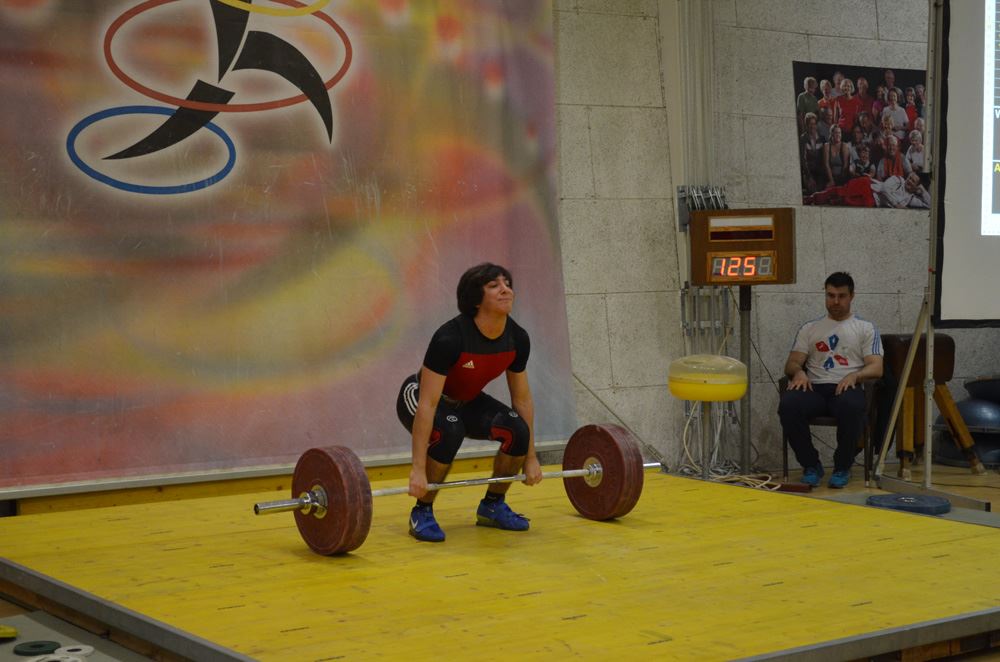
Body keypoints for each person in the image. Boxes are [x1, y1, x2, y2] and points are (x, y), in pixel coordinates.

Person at [395, 262, 542, 542]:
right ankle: (422, 511)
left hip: (468, 401)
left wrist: (531, 458)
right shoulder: (450, 337)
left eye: (507, 283)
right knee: (450, 431)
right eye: (494, 285)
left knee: (517, 430)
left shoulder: (517, 338)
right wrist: (417, 469)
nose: (505, 289)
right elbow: (427, 403)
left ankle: (492, 506)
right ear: (476, 299)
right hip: (419, 397)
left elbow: (522, 399)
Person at [778, 272, 883, 488]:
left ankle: (842, 467)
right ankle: (811, 465)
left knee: (852, 406)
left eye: (841, 296)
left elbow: (876, 367)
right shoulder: (810, 328)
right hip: (814, 388)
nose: (835, 301)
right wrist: (798, 372)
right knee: (789, 404)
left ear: (852, 296)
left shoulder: (865, 328)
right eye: (830, 295)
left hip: (846, 387)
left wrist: (856, 375)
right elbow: (792, 363)